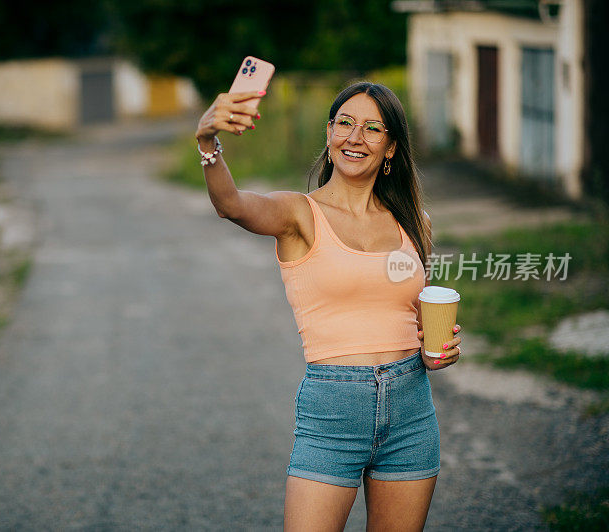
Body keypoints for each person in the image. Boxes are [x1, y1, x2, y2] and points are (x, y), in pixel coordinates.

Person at [194, 80, 464, 531]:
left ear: (391, 147)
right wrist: (208, 142)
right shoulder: (298, 214)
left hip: (412, 409)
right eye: (345, 123)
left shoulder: (414, 222)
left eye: (373, 129)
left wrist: (440, 349)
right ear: (329, 132)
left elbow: (419, 318)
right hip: (334, 407)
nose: (355, 138)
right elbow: (232, 205)